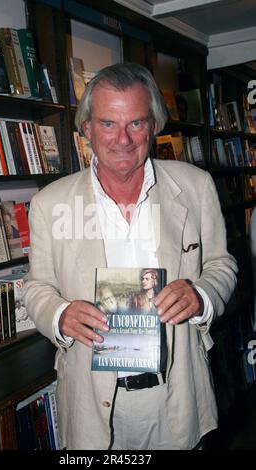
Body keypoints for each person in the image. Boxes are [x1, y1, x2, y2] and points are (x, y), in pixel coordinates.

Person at [23, 62, 238, 450]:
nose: (122, 139)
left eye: (136, 123)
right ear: (86, 128)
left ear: (153, 125)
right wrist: (59, 314)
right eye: (107, 124)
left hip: (176, 394)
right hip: (91, 401)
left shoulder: (195, 187)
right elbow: (37, 285)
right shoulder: (48, 202)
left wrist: (201, 294)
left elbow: (222, 266)